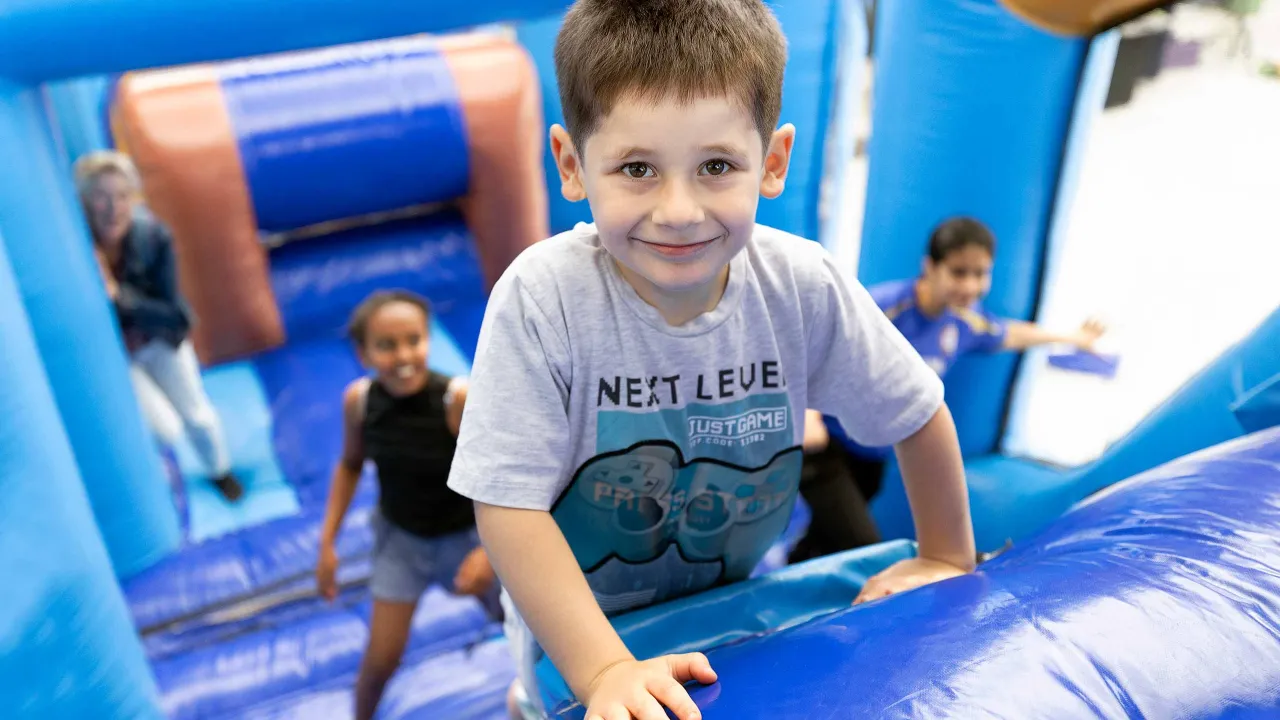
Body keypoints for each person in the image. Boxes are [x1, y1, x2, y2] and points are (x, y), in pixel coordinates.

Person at [444, 3, 978, 719]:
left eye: (716, 166)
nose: (679, 211)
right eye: (637, 168)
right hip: (576, 629)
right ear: (572, 165)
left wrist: (945, 556)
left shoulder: (799, 285)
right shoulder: (545, 300)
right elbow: (506, 503)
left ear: (773, 162)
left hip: (729, 597)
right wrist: (603, 670)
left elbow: (916, 410)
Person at [794, 216, 1107, 562]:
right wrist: (809, 416)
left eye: (980, 274)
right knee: (862, 545)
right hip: (828, 446)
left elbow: (1010, 334)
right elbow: (814, 346)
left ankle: (792, 569)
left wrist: (1072, 337)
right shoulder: (884, 307)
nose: (970, 286)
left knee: (824, 539)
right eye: (959, 273)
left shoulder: (964, 321)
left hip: (873, 453)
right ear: (930, 267)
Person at [315, 290, 498, 720]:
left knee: (529, 627)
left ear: (428, 340)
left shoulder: (455, 400)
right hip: (402, 541)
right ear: (363, 354)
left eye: (413, 340)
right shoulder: (360, 401)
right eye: (386, 345)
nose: (403, 356)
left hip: (467, 538)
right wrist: (327, 543)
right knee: (381, 659)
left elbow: (500, 478)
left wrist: (489, 551)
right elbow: (350, 464)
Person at [75, 150, 243, 502]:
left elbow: (173, 315)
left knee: (198, 416)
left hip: (161, 339)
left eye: (122, 196)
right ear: (85, 203)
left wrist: (119, 296)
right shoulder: (78, 247)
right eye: (101, 198)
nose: (113, 208)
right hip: (121, 354)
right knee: (165, 429)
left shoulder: (152, 237)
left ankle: (220, 470)